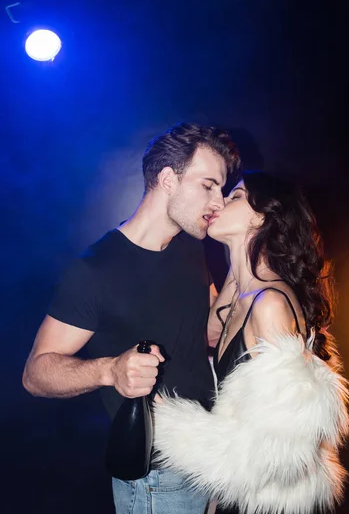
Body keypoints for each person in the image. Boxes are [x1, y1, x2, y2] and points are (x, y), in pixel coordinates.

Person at [22, 122, 241, 514]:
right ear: (168, 179)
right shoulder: (96, 270)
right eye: (209, 185)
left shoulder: (192, 248)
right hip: (156, 476)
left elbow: (208, 330)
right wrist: (109, 370)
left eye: (222, 189)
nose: (219, 201)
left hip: (205, 457)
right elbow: (35, 374)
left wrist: (245, 265)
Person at [154, 171, 349, 514]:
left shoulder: (270, 304)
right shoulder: (243, 294)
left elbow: (279, 446)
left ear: (262, 216)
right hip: (239, 499)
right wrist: (238, 264)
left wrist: (168, 426)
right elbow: (206, 339)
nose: (218, 202)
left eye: (234, 197)